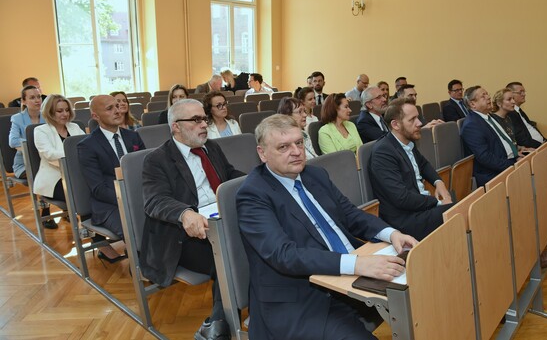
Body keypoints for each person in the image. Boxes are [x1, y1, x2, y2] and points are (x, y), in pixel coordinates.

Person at [236, 114, 418, 340]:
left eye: (299, 143)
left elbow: (350, 214)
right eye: (284, 147)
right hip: (303, 298)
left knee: (425, 291)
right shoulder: (252, 194)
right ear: (262, 154)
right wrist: (357, 264)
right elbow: (284, 255)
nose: (296, 151)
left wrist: (391, 234)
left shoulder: (315, 174)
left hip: (347, 279)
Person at [140, 98, 243, 340]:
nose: (204, 124)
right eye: (195, 120)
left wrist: (255, 182)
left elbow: (229, 175)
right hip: (182, 238)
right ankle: (220, 323)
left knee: (255, 240)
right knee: (229, 254)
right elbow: (155, 201)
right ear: (176, 126)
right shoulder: (157, 160)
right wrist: (185, 213)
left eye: (204, 119)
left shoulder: (211, 148)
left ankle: (232, 315)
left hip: (219, 223)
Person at [369, 98, 454, 240]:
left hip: (419, 207)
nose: (420, 123)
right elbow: (402, 198)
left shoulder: (406, 142)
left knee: (461, 205)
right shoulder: (382, 152)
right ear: (395, 124)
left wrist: (439, 182)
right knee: (459, 211)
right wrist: (437, 202)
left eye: (418, 117)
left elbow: (423, 164)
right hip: (405, 220)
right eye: (412, 119)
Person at [78, 95, 146, 262]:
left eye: (117, 106)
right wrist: (129, 200)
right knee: (135, 229)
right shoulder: (88, 146)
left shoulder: (133, 137)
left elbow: (146, 170)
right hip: (108, 205)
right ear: (95, 116)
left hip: (140, 197)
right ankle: (143, 267)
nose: (117, 110)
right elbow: (98, 189)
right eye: (109, 108)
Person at [9, 86, 53, 228]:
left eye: (38, 97)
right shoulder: (17, 119)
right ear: (23, 101)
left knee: (61, 171)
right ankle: (45, 212)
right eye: (32, 97)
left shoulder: (47, 116)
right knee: (42, 173)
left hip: (46, 160)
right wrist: (38, 145)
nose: (37, 100)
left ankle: (66, 210)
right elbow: (13, 141)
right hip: (25, 164)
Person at [460, 86, 517, 187]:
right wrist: (512, 164)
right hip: (493, 174)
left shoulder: (490, 117)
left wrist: (516, 154)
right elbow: (485, 158)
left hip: (508, 161)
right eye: (483, 96)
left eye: (487, 94)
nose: (488, 97)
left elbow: (501, 142)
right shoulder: (471, 125)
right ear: (473, 104)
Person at [34, 95, 85, 206]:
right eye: (59, 111)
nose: (65, 114)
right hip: (54, 178)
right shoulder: (40, 131)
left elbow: (87, 148)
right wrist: (75, 153)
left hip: (78, 173)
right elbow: (50, 154)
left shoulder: (74, 127)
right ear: (50, 112)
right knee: (81, 194)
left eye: (67, 110)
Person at [490, 88, 533, 153]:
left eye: (513, 98)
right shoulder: (493, 120)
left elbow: (512, 142)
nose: (513, 101)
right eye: (509, 99)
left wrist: (521, 148)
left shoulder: (508, 118)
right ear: (499, 103)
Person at [506, 82, 546, 148]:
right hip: (534, 148)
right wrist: (541, 146)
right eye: (520, 92)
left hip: (541, 145)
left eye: (524, 91)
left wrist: (546, 141)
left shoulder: (520, 111)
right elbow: (521, 139)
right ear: (511, 94)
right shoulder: (510, 114)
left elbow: (532, 128)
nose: (524, 94)